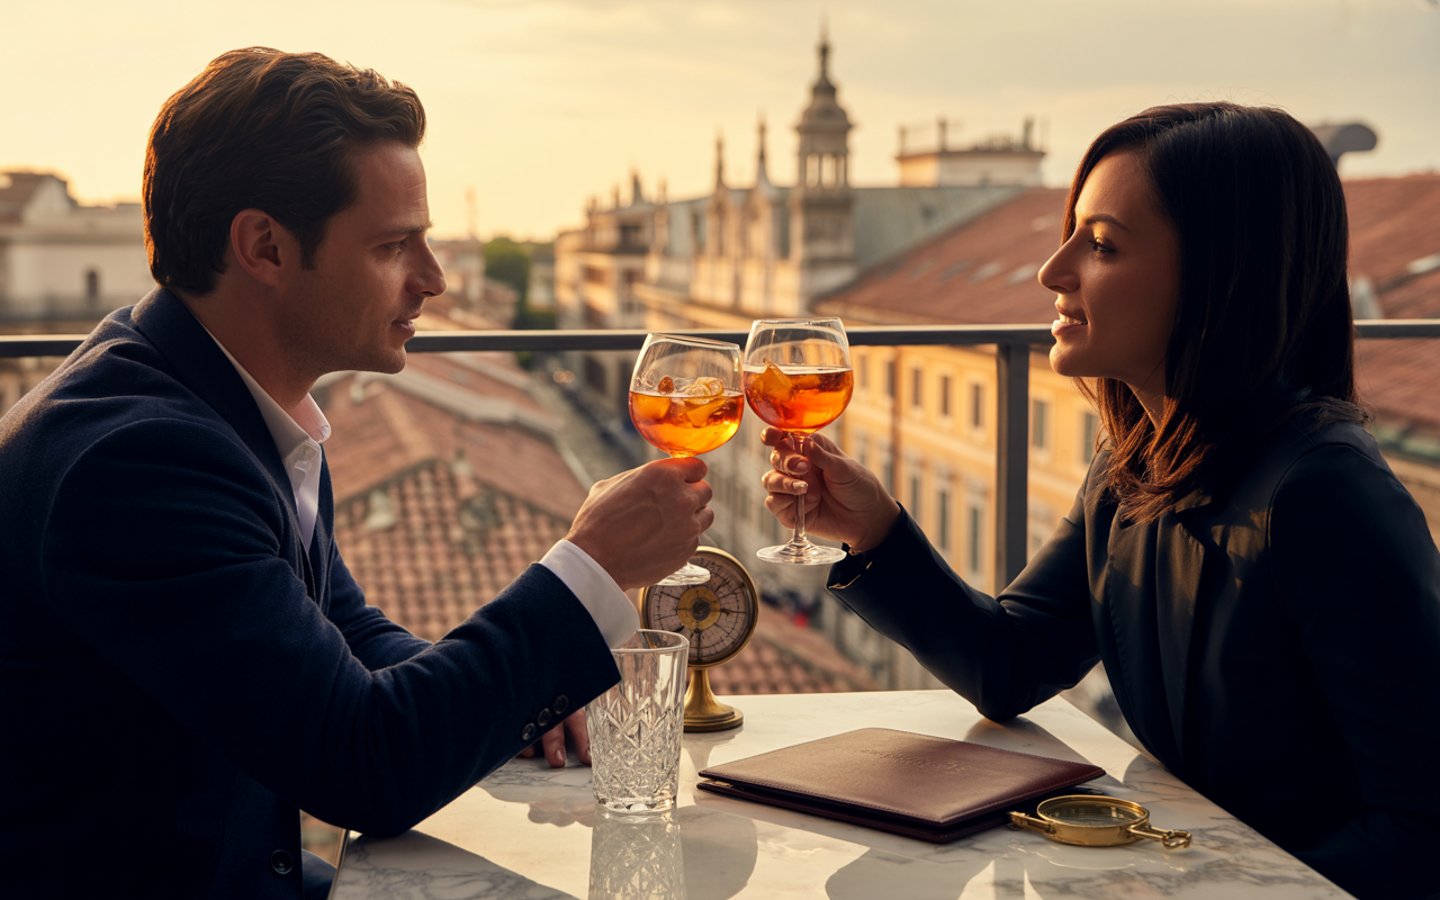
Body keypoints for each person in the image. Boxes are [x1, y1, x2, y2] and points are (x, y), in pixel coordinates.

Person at [0, 48, 713, 900]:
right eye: (392, 246)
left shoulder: (232, 404)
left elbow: (346, 641)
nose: (435, 279)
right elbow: (364, 766)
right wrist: (589, 569)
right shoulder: (140, 465)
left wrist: (516, 710)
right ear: (264, 245)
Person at [760, 102, 1440, 898]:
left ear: (1224, 278)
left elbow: (1420, 832)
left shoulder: (1326, 494)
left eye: (1105, 245)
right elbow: (1010, 665)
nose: (1054, 271)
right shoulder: (1134, 461)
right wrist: (874, 531)